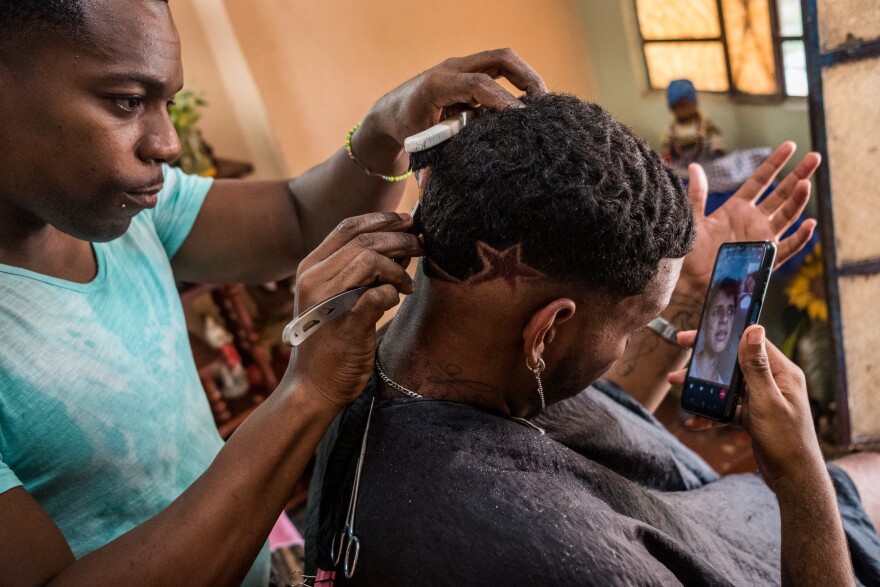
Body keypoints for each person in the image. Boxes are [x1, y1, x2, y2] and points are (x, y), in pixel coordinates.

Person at [0, 0, 549, 584]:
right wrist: (307, 391)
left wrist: (383, 127)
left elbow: (294, 217)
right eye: (127, 102)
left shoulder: (126, 213)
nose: (166, 144)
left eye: (169, 103)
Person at [307, 93, 880, 585]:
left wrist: (690, 289)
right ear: (548, 329)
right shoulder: (551, 557)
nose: (627, 346)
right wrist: (802, 478)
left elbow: (591, 425)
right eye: (633, 326)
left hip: (730, 516)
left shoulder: (408, 359)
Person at [689, 277, 738, 385]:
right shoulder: (690, 366)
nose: (725, 319)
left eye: (730, 311)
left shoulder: (721, 385)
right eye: (717, 311)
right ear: (704, 322)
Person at [663, 78, 724, 164]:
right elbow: (666, 151)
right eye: (679, 106)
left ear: (695, 104)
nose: (683, 110)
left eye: (686, 105)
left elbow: (716, 144)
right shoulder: (671, 129)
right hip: (680, 168)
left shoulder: (706, 124)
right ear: (673, 109)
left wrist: (717, 151)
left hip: (706, 166)